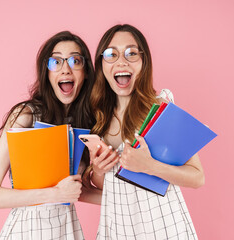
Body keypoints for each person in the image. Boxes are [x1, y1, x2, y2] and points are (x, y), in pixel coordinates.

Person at [0, 31, 101, 240]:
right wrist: (54, 194)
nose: (65, 69)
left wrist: (133, 198)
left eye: (75, 60)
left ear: (86, 71)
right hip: (27, 232)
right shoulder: (27, 115)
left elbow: (78, 191)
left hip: (67, 231)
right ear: (46, 72)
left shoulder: (85, 124)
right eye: (56, 61)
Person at [86, 24, 204, 239]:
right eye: (111, 54)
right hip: (116, 228)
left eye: (131, 53)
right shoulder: (97, 118)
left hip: (162, 227)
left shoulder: (159, 108)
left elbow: (197, 178)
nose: (121, 61)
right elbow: (110, 186)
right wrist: (100, 170)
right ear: (101, 64)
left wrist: (150, 166)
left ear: (143, 62)